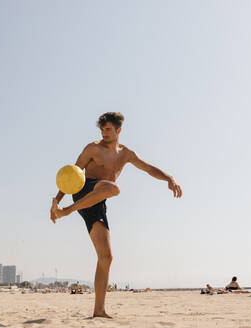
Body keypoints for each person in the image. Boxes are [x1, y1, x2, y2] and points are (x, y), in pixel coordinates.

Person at [50, 112, 182, 318]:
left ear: (119, 130)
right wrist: (58, 201)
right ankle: (67, 212)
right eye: (102, 130)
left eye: (108, 130)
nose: (104, 133)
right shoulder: (92, 148)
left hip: (98, 201)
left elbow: (147, 168)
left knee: (106, 257)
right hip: (85, 191)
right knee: (114, 188)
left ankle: (99, 310)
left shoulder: (126, 154)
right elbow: (71, 176)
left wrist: (169, 178)